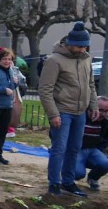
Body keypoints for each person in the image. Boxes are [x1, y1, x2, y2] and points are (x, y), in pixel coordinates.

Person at [38, 21, 95, 197]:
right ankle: (54, 183)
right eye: (78, 47)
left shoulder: (86, 59)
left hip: (80, 112)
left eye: (84, 47)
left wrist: (93, 105)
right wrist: (53, 114)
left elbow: (90, 84)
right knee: (59, 148)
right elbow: (45, 89)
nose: (81, 50)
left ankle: (68, 182)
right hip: (62, 111)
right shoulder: (54, 61)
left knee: (74, 148)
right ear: (69, 43)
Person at [76, 96, 108, 192]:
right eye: (101, 110)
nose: (103, 114)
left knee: (105, 165)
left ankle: (93, 178)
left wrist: (100, 148)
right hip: (76, 149)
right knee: (78, 173)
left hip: (93, 149)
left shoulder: (106, 120)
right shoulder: (80, 116)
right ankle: (66, 176)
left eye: (107, 111)